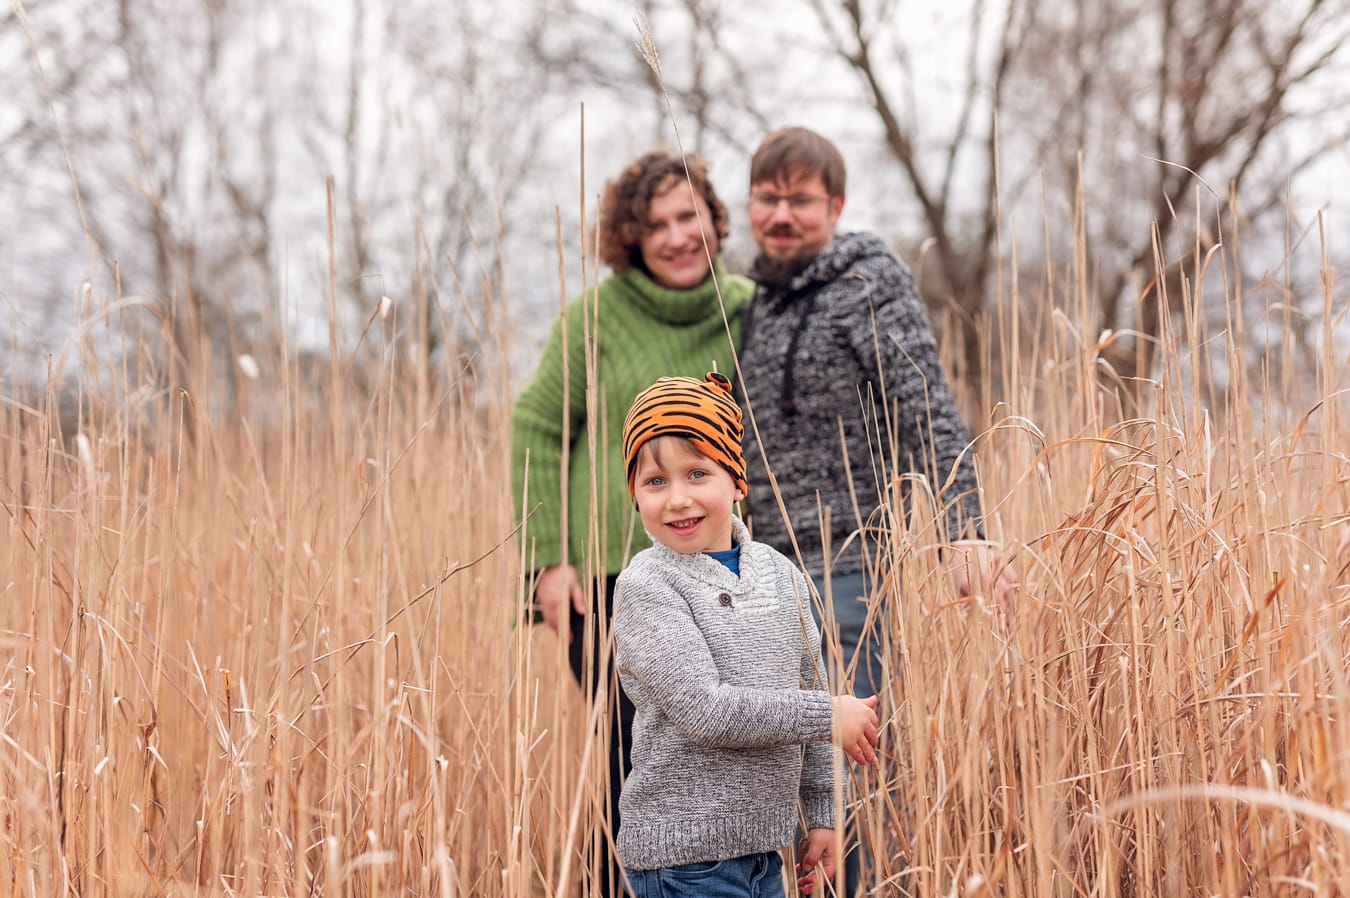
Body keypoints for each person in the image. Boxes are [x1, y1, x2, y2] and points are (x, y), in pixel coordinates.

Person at [736, 126, 1018, 892]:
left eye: (801, 200)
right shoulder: (754, 304)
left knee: (845, 770)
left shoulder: (868, 281)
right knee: (783, 776)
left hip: (851, 566)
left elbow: (924, 404)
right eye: (768, 199)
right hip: (765, 573)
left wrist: (966, 528)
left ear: (835, 206)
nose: (782, 215)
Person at [511, 150, 754, 897]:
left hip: (724, 580)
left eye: (688, 217)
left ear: (713, 220)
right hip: (612, 583)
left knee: (722, 771)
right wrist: (547, 560)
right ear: (632, 238)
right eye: (655, 225)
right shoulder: (596, 317)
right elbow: (537, 426)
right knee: (637, 764)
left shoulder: (748, 308)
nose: (677, 237)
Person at [612, 372, 880, 898]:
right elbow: (706, 711)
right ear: (635, 495)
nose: (677, 498)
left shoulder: (780, 574)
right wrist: (828, 715)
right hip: (683, 863)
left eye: (697, 473)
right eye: (655, 482)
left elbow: (811, 687)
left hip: (764, 855)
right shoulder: (646, 587)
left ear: (737, 481)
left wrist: (823, 812)